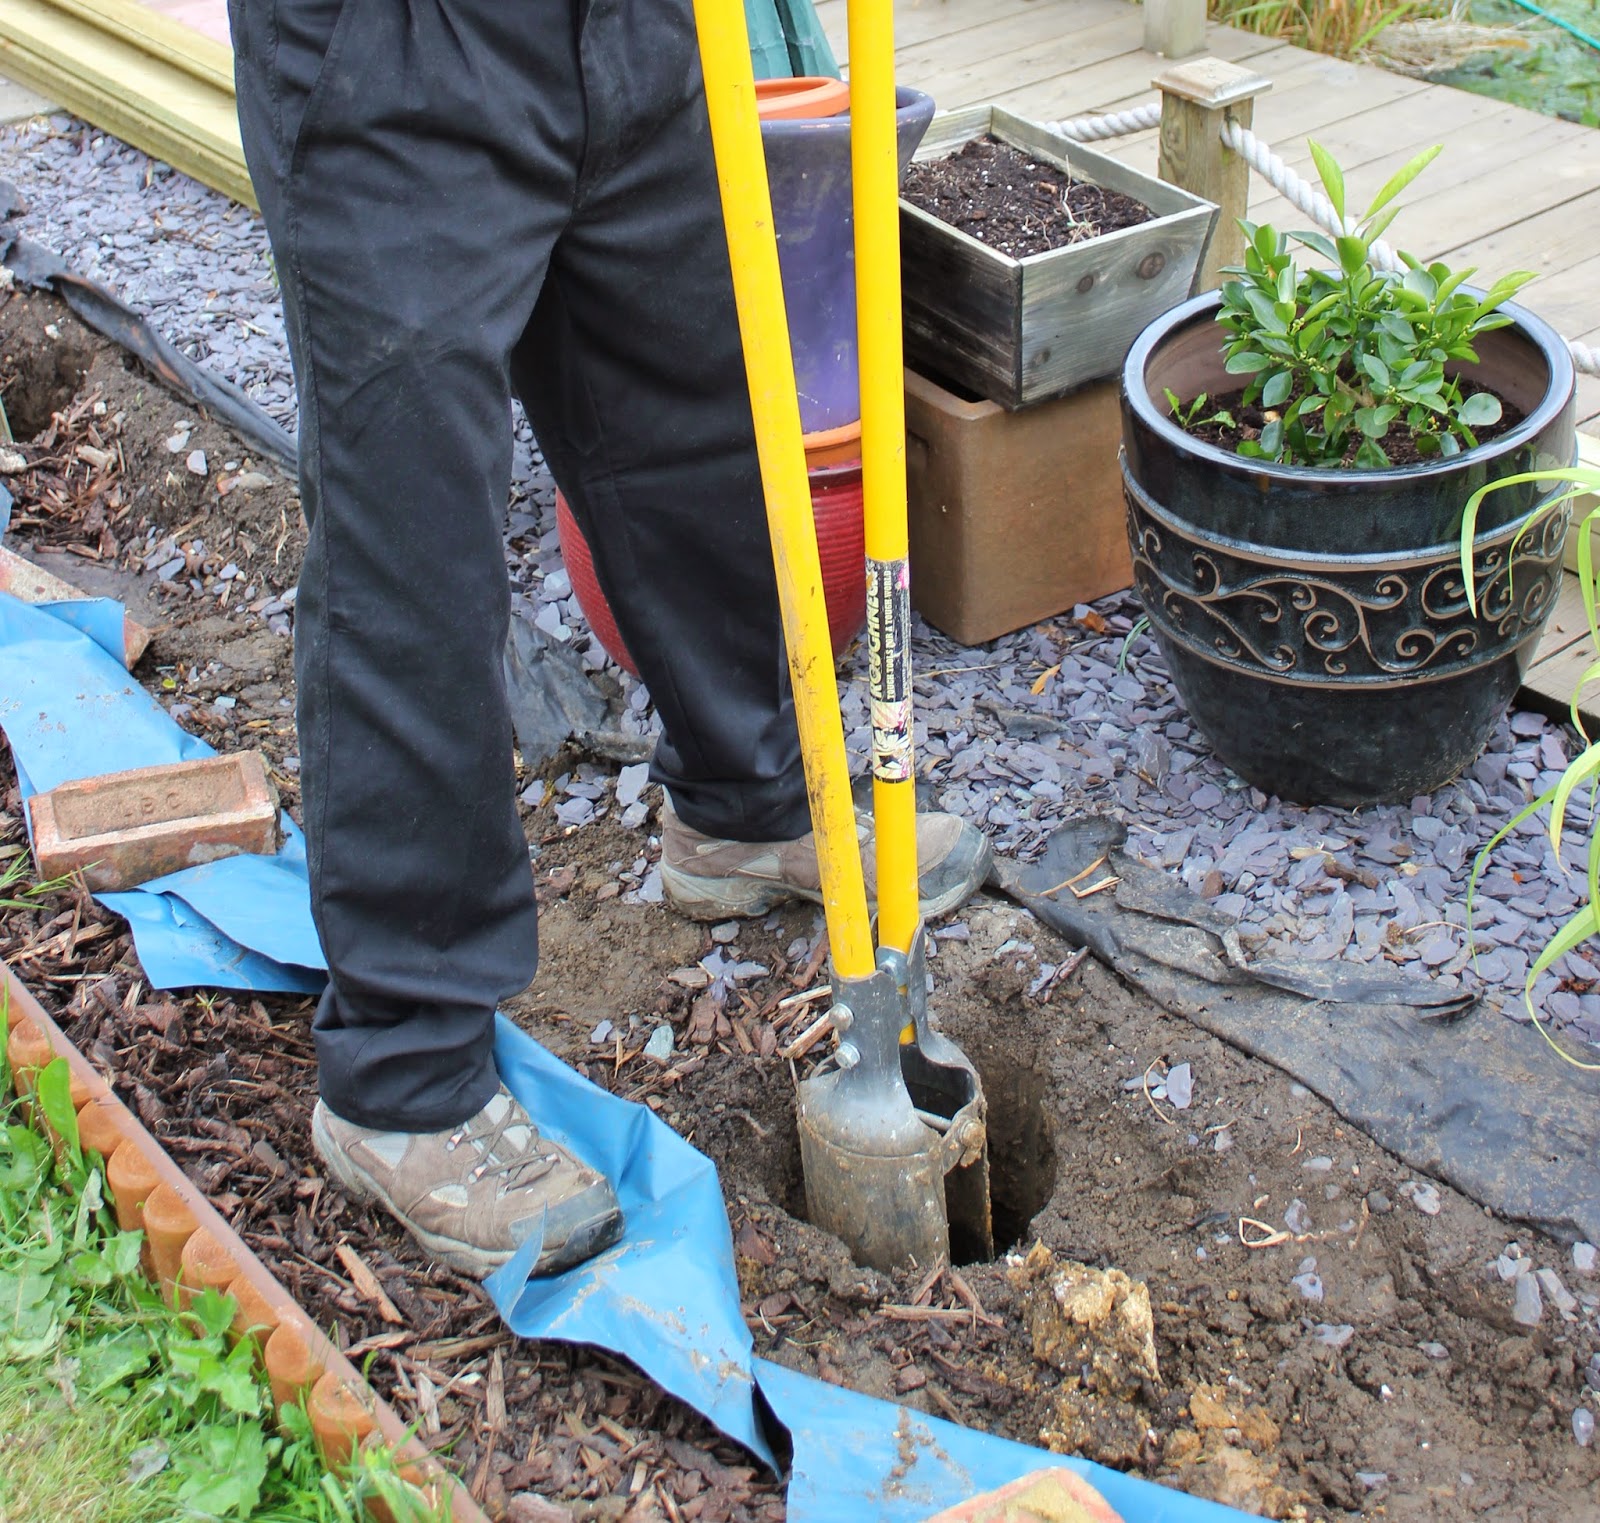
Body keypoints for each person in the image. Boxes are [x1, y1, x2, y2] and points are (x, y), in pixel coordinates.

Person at [228, 0, 991, 1282]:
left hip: (639, 30)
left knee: (697, 406)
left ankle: (747, 806)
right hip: (396, 50)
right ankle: (404, 1078)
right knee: (414, 541)